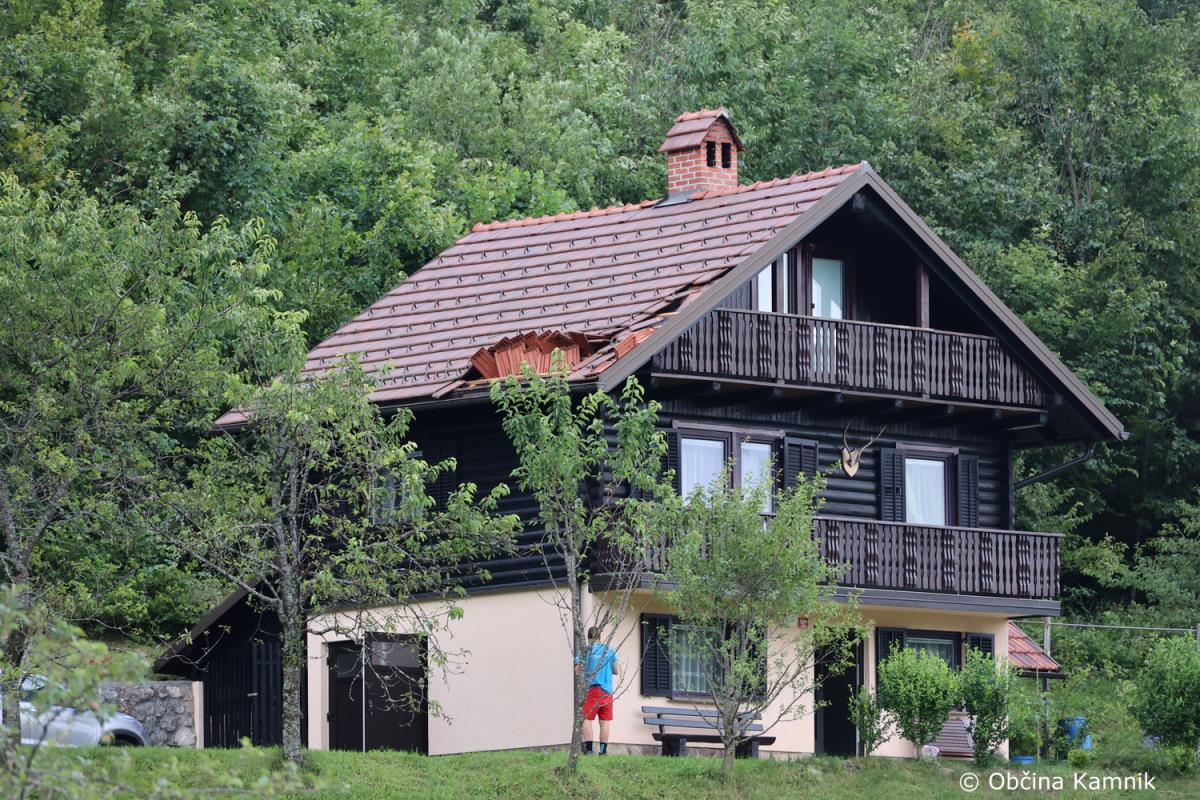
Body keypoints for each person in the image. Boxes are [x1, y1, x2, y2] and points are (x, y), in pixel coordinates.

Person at [577, 626, 618, 755]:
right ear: (600, 636)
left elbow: (577, 670)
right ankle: (603, 751)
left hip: (592, 689)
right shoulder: (609, 650)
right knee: (604, 721)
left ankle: (589, 750)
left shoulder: (585, 650)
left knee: (585, 718)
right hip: (607, 691)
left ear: (589, 638)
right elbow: (616, 670)